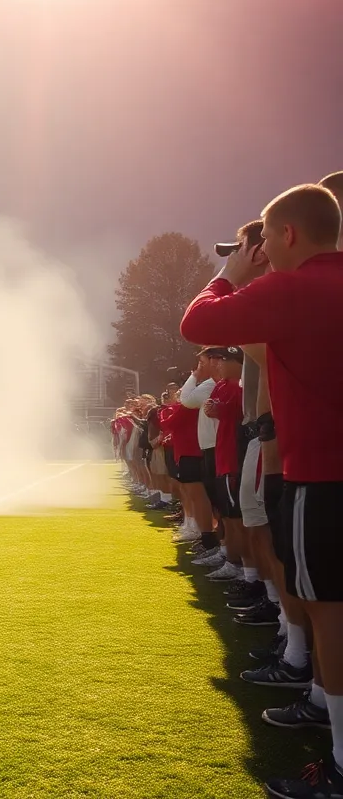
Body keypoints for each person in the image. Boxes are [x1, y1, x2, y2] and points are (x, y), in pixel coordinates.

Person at [180, 183, 343, 798]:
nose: (266, 250)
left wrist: (227, 275)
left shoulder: (292, 287)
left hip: (321, 474)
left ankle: (339, 755)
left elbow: (198, 322)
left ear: (290, 234)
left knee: (329, 610)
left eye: (270, 238)